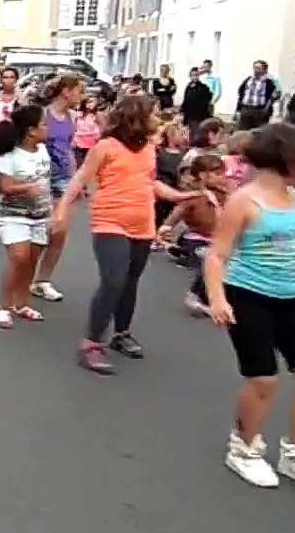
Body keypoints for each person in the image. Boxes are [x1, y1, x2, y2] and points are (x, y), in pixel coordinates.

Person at [204, 122, 295, 495]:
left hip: (289, 298)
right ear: (288, 158)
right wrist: (217, 298)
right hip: (247, 295)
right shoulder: (244, 201)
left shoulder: (294, 197)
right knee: (263, 378)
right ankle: (244, 448)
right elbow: (216, 255)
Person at [54, 95, 195, 375]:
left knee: (130, 281)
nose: (158, 119)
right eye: (153, 114)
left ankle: (121, 333)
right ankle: (91, 344)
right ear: (137, 118)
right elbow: (80, 179)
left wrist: (183, 196)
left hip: (142, 222)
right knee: (113, 281)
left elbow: (150, 183)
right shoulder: (106, 146)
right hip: (110, 221)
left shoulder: (149, 148)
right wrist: (61, 210)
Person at [0, 104, 51, 328]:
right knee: (19, 258)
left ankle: (22, 303)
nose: (47, 128)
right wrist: (27, 188)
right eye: (43, 124)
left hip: (40, 214)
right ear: (31, 130)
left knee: (32, 260)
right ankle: (4, 307)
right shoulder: (10, 156)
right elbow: (5, 187)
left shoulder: (43, 150)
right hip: (13, 214)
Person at [31, 75, 85, 303]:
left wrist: (76, 179)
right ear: (66, 91)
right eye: (79, 91)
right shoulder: (43, 115)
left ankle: (42, 280)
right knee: (40, 233)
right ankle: (25, 276)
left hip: (63, 178)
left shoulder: (72, 117)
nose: (81, 97)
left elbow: (69, 149)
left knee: (59, 233)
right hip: (42, 176)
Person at [158, 153, 226, 316]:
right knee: (210, 258)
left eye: (222, 173)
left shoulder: (223, 193)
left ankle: (183, 254)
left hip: (218, 239)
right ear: (202, 175)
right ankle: (195, 294)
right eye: (217, 174)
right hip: (197, 238)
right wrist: (164, 230)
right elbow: (175, 216)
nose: (221, 177)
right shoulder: (193, 197)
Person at [236, 60, 280, 130]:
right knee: (242, 131)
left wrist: (267, 108)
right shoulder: (248, 80)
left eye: (258, 68)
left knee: (258, 133)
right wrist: (238, 110)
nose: (256, 70)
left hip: (260, 111)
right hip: (246, 110)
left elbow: (276, 94)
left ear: (265, 70)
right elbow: (241, 94)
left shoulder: (269, 81)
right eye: (254, 67)